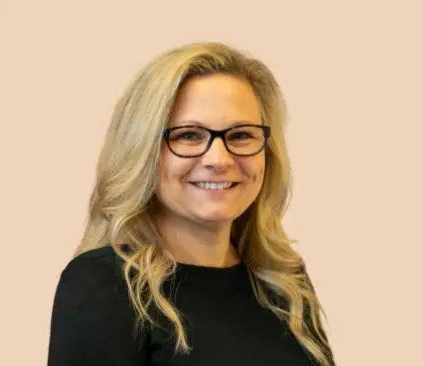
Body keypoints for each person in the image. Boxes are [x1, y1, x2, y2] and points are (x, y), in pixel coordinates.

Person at [47, 41, 335, 366]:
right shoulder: (105, 286)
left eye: (241, 135)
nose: (219, 159)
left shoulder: (283, 279)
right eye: (188, 136)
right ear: (143, 152)